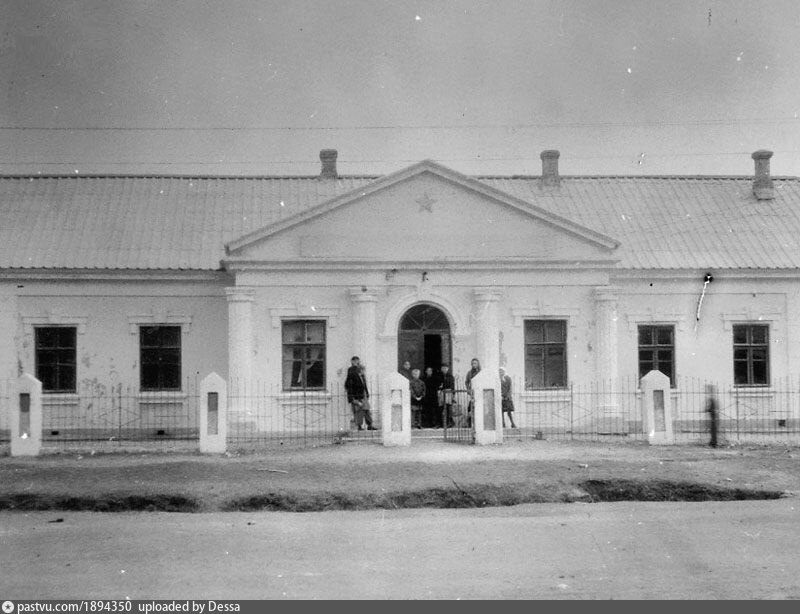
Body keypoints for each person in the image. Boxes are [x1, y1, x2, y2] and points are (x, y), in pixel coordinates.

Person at [344, 356, 375, 430]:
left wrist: (367, 393)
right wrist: (352, 397)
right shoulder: (351, 371)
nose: (357, 362)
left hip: (363, 393)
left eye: (358, 361)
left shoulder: (361, 375)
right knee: (359, 410)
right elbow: (349, 384)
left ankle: (369, 424)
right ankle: (359, 425)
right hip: (357, 394)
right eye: (355, 361)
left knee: (367, 409)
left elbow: (364, 384)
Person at [464, 358, 481, 428]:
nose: (474, 365)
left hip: (480, 392)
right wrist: (468, 389)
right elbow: (466, 382)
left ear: (478, 364)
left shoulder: (481, 372)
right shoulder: (469, 373)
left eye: (475, 363)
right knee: (471, 407)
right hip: (473, 392)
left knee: (479, 408)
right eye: (472, 363)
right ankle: (471, 424)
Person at [438, 363, 456, 428]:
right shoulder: (439, 376)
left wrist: (453, 394)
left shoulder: (450, 377)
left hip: (448, 393)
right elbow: (438, 385)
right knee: (441, 408)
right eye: (443, 368)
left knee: (448, 408)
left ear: (448, 369)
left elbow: (452, 386)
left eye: (445, 368)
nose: (444, 369)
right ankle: (442, 423)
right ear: (441, 369)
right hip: (441, 393)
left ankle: (449, 422)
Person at [705, 383, 719, 448]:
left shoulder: (712, 398)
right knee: (713, 431)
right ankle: (712, 443)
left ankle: (714, 444)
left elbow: (712, 409)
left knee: (713, 431)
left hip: (714, 418)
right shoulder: (712, 398)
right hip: (714, 417)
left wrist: (707, 409)